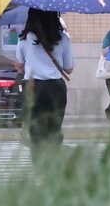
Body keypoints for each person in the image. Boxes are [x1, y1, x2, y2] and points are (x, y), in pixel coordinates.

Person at [15, 8, 73, 158]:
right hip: (56, 89)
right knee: (54, 130)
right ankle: (53, 167)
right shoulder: (63, 39)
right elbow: (69, 69)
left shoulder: (24, 39)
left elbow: (19, 65)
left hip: (33, 88)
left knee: (36, 132)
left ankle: (39, 167)